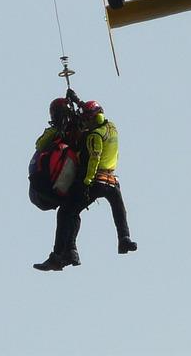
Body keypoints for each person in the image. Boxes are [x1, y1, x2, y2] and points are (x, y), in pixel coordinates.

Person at [34, 95, 136, 272]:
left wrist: (86, 181)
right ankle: (124, 238)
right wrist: (77, 101)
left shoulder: (91, 135)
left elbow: (93, 159)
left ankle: (60, 255)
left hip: (94, 180)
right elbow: (91, 113)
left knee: (67, 212)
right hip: (113, 181)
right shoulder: (111, 127)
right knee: (118, 209)